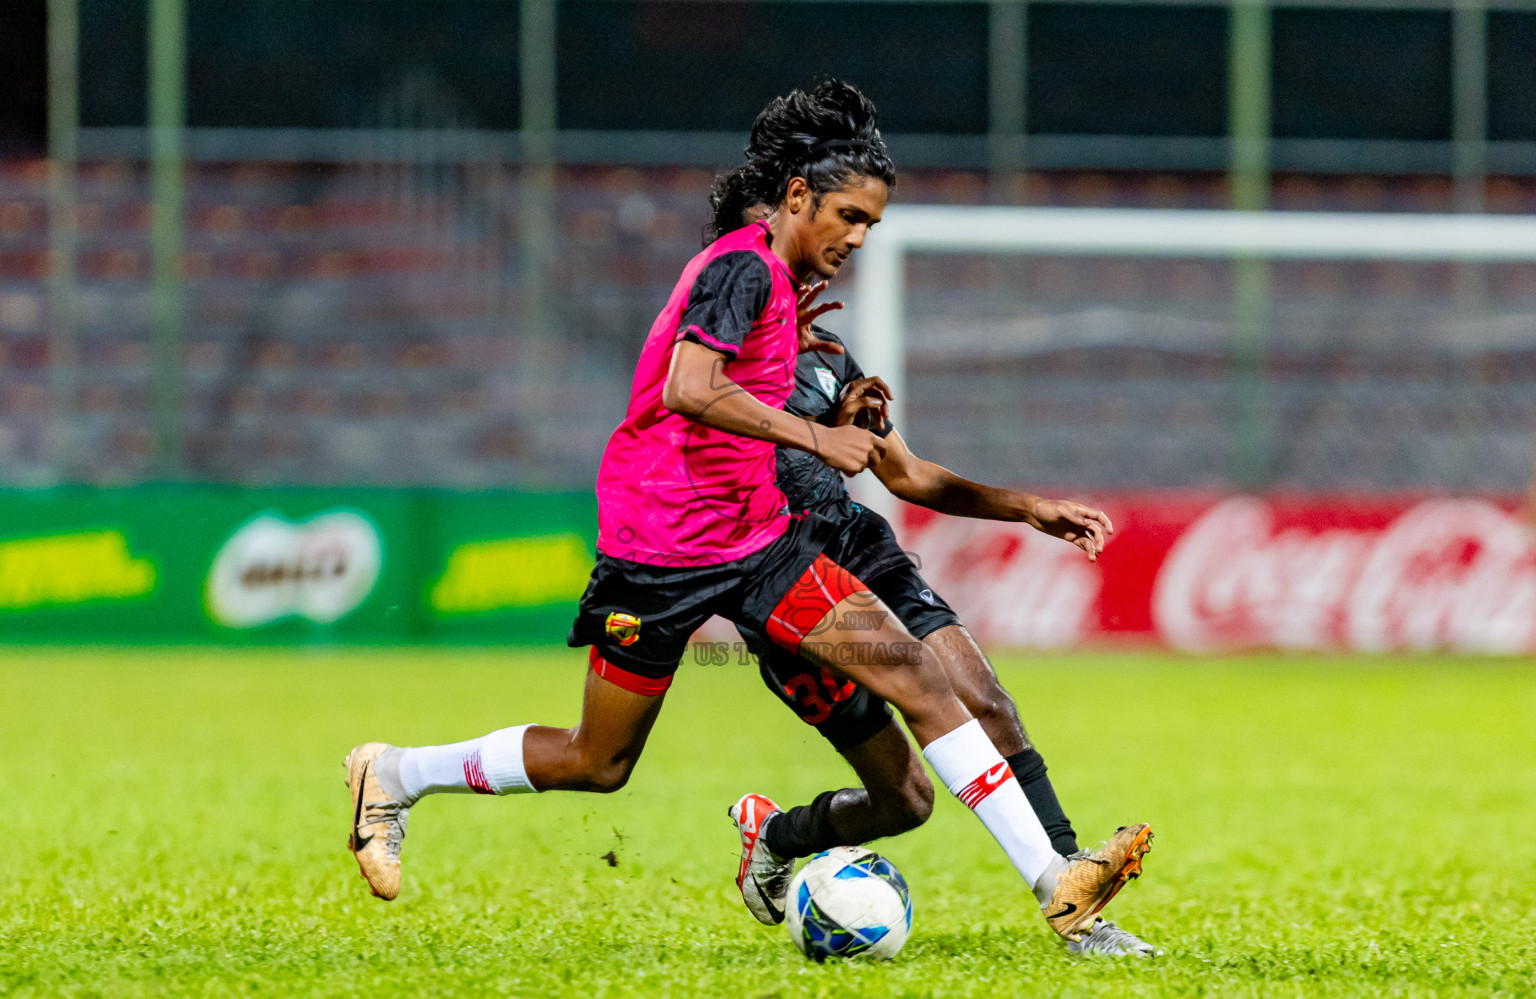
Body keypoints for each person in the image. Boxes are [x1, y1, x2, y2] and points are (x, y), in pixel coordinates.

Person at [342, 81, 1147, 948]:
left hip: (759, 542)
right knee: (597, 762)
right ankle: (396, 774)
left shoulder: (797, 308)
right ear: (797, 197)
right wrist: (817, 435)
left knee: (915, 673)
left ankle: (1056, 881)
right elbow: (689, 390)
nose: (858, 238)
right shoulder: (740, 266)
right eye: (848, 216)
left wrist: (842, 432)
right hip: (656, 549)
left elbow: (866, 455)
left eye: (870, 224)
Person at [705, 189, 1156, 956]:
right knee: (904, 801)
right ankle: (778, 837)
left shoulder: (825, 359)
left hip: (858, 547)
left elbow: (906, 475)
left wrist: (1027, 508)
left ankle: (1075, 902)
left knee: (988, 702)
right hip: (785, 585)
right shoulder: (707, 371)